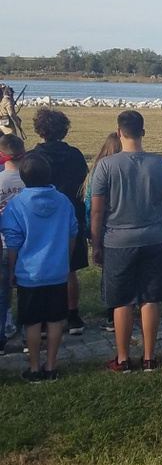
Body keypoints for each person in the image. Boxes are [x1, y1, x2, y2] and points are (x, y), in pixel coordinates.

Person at [90, 110, 162, 373]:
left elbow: (97, 210)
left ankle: (123, 358)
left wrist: (96, 243)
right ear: (143, 132)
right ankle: (150, 356)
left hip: (118, 240)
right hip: (152, 238)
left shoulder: (107, 166)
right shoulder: (160, 164)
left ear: (119, 132)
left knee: (122, 300)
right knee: (150, 298)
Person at [1, 153, 78, 382]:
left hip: (29, 273)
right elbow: (73, 232)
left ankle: (34, 367)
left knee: (32, 321)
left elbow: (13, 242)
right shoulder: (63, 201)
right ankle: (51, 365)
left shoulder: (17, 204)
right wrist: (65, 258)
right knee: (56, 320)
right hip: (57, 270)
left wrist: (13, 270)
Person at [32, 108, 89, 336]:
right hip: (70, 216)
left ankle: (46, 317)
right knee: (70, 270)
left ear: (40, 130)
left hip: (42, 217)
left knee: (43, 268)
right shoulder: (75, 155)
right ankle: (72, 315)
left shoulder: (34, 156)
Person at [84, 133, 121, 332]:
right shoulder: (126, 167)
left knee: (109, 275)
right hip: (121, 228)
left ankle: (111, 315)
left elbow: (91, 205)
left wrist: (92, 234)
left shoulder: (98, 170)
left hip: (106, 230)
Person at [0, 135, 25, 355]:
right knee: (26, 289)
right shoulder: (29, 179)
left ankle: (3, 331)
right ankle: (29, 333)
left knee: (3, 290)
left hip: (5, 243)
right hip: (28, 243)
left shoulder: (1, 181)